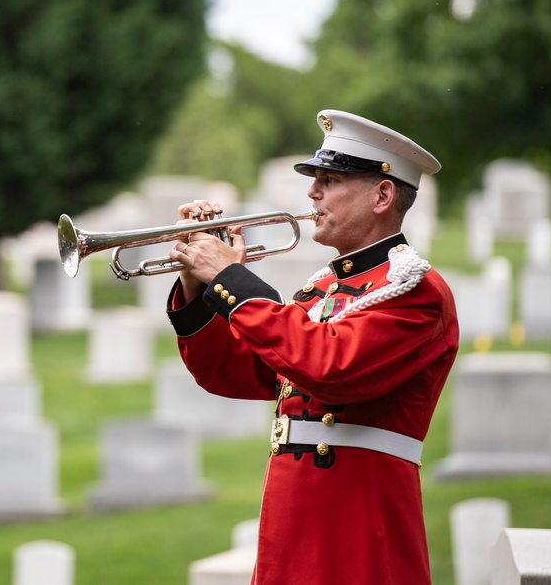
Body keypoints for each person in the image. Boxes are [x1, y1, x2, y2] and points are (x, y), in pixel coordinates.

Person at [165, 110, 459, 585]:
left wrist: (230, 277)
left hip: (359, 526)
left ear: (383, 194)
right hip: (291, 524)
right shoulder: (320, 291)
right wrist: (196, 280)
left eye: (331, 179)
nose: (311, 193)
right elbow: (232, 371)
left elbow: (329, 365)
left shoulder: (415, 291)